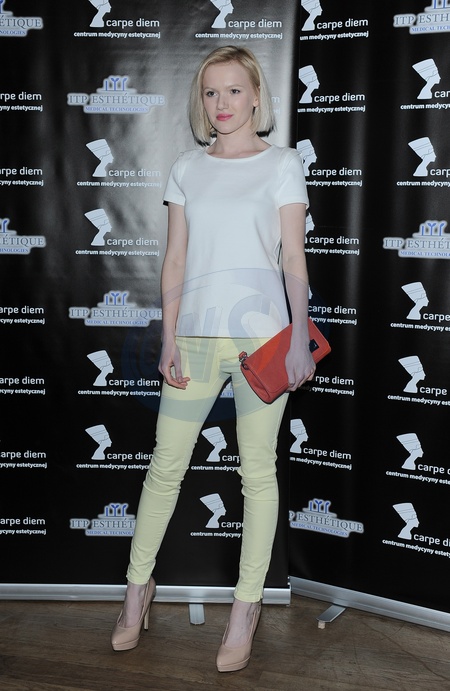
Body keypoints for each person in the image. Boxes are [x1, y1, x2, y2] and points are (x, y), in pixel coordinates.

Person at [111, 45, 315, 672]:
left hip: (264, 343)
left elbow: (293, 257)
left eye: (233, 90)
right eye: (210, 92)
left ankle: (245, 608)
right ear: (201, 101)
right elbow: (175, 259)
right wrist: (170, 338)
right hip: (195, 341)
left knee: (257, 474)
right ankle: (136, 593)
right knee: (165, 467)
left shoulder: (283, 164)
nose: (222, 103)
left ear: (255, 97)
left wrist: (299, 338)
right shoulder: (186, 168)